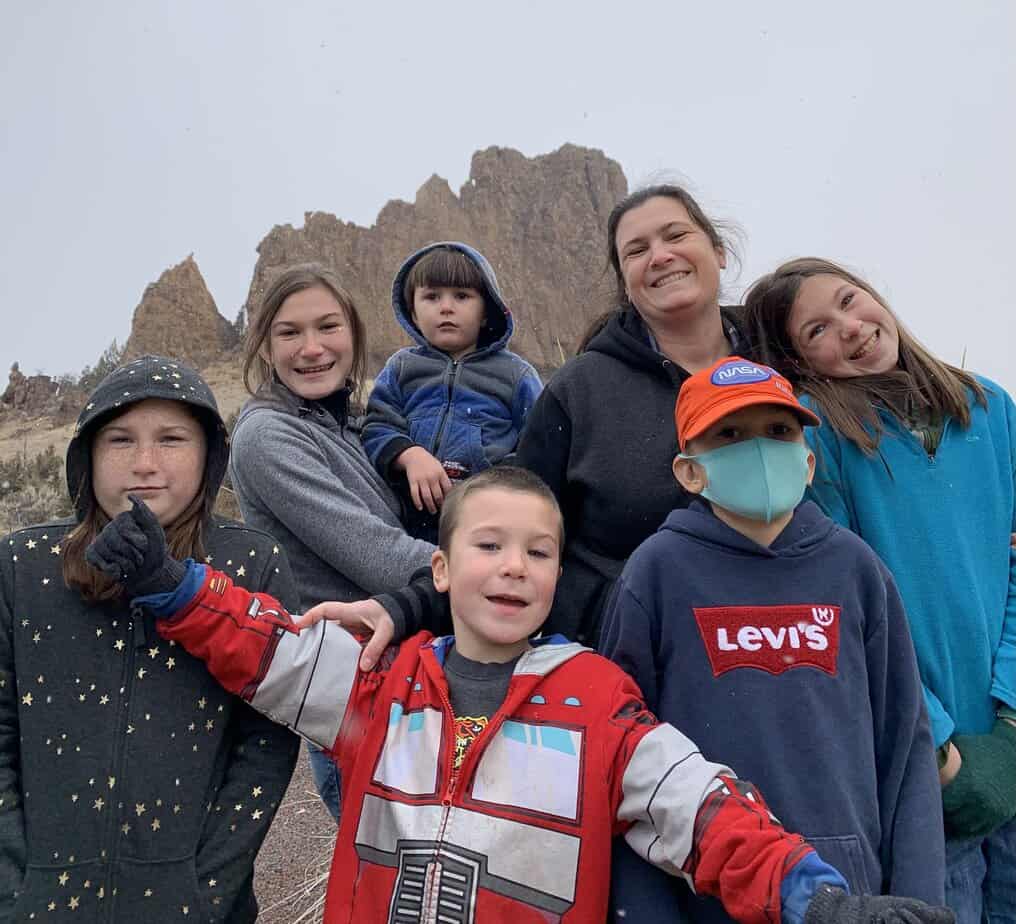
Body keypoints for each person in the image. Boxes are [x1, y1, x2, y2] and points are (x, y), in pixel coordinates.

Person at [85, 468, 954, 924]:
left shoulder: (598, 698)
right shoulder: (377, 686)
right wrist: (172, 585)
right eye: (489, 544)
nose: (513, 566)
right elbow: (265, 647)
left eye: (538, 553)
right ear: (440, 567)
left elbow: (707, 813)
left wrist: (818, 900)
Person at [600, 356, 945, 923]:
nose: (758, 449)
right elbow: (625, 756)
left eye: (778, 431)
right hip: (702, 898)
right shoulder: (656, 572)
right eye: (730, 434)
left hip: (854, 902)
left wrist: (919, 897)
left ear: (807, 461)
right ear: (689, 471)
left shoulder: (857, 569)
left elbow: (904, 744)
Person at [741, 258, 1016, 924]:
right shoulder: (820, 442)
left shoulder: (989, 406)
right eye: (818, 330)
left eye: (850, 300)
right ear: (798, 362)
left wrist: (1010, 718)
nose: (852, 328)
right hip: (914, 762)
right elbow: (840, 610)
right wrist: (942, 750)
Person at [0, 355, 299, 923]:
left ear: (208, 456)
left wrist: (206, 893)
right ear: (87, 454)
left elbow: (267, 741)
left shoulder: (251, 563)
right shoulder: (22, 565)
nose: (144, 463)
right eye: (119, 439)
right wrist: (14, 891)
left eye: (171, 439)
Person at [230, 263, 439, 820]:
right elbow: (379, 555)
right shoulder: (268, 436)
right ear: (264, 345)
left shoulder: (352, 421)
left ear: (353, 332)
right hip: (358, 693)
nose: (312, 348)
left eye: (328, 327)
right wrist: (497, 570)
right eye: (289, 332)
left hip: (415, 673)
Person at [516, 183, 750, 646]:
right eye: (637, 250)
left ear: (718, 251)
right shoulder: (580, 390)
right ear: (625, 283)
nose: (660, 256)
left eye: (676, 235)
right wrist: (407, 606)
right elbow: (511, 525)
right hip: (628, 663)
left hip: (783, 651)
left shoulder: (781, 361)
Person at [362, 242, 542, 541]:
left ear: (487, 311)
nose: (446, 307)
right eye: (431, 297)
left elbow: (537, 443)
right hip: (408, 521)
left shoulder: (515, 375)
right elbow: (377, 425)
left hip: (490, 519)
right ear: (414, 313)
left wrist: (494, 484)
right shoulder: (402, 368)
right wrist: (409, 455)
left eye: (462, 296)